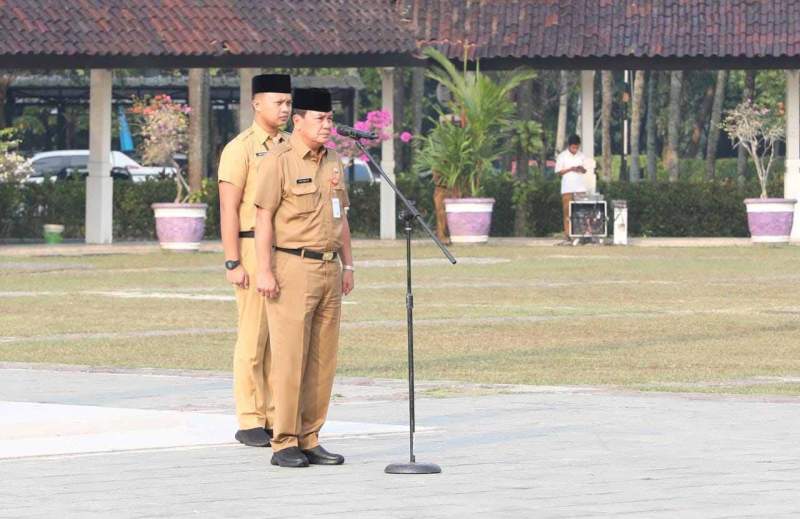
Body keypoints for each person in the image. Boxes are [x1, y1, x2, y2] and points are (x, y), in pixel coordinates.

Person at [253, 88, 355, 468]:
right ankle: (284, 441)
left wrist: (349, 264)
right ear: (298, 121)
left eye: (330, 119)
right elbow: (263, 218)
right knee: (290, 357)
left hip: (329, 268)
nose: (328, 126)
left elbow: (341, 217)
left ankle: (311, 436)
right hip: (292, 267)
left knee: (322, 359)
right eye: (320, 119)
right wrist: (263, 270)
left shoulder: (333, 161)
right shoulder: (278, 161)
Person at [217, 74, 292, 447]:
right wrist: (233, 261)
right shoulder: (240, 149)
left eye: (289, 104)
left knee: (281, 338)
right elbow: (228, 208)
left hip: (287, 250)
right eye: (278, 102)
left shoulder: (293, 147)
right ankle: (250, 417)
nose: (284, 110)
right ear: (256, 104)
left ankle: (277, 415)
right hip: (249, 246)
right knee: (253, 335)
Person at [555, 134, 587, 241]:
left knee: (582, 212)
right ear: (569, 146)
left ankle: (582, 234)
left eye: (577, 147)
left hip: (580, 188)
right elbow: (559, 172)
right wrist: (570, 169)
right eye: (573, 147)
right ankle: (567, 234)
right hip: (567, 188)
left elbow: (586, 170)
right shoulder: (562, 156)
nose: (575, 149)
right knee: (567, 211)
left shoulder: (582, 156)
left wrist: (581, 169)